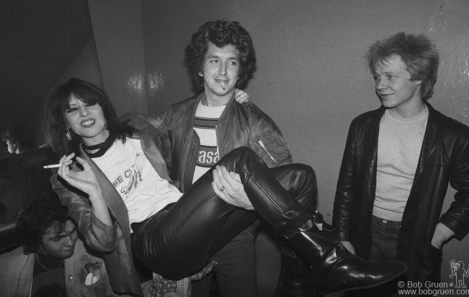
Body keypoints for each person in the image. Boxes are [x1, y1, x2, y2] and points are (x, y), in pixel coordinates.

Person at [44, 78, 407, 297]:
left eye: (90, 103)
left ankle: (309, 275)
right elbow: (102, 243)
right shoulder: (70, 175)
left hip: (190, 217)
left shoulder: (138, 131)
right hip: (155, 240)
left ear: (103, 107)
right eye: (73, 110)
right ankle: (331, 260)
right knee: (240, 159)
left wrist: (234, 104)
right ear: (66, 124)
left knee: (301, 177)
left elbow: (185, 125)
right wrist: (93, 191)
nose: (85, 113)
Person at [159, 20, 307, 297]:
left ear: (241, 71)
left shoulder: (255, 121)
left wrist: (252, 202)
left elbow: (286, 183)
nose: (223, 72)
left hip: (235, 236)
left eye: (232, 63)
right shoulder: (175, 116)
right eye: (214, 60)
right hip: (186, 232)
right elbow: (160, 173)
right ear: (199, 67)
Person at [332, 32, 469, 294]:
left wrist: (439, 234)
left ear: (418, 77)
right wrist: (342, 237)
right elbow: (346, 187)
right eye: (377, 76)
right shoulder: (362, 127)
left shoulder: (454, 136)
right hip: (365, 234)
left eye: (390, 77)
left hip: (415, 241)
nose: (379, 85)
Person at [0, 192, 116, 296]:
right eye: (58, 238)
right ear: (36, 239)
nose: (70, 242)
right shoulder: (6, 268)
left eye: (73, 231)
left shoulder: (96, 252)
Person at [0, 124, 56, 223]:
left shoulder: (16, 168)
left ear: (14, 144)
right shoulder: (44, 158)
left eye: (7, 144)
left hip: (21, 221)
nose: (7, 149)